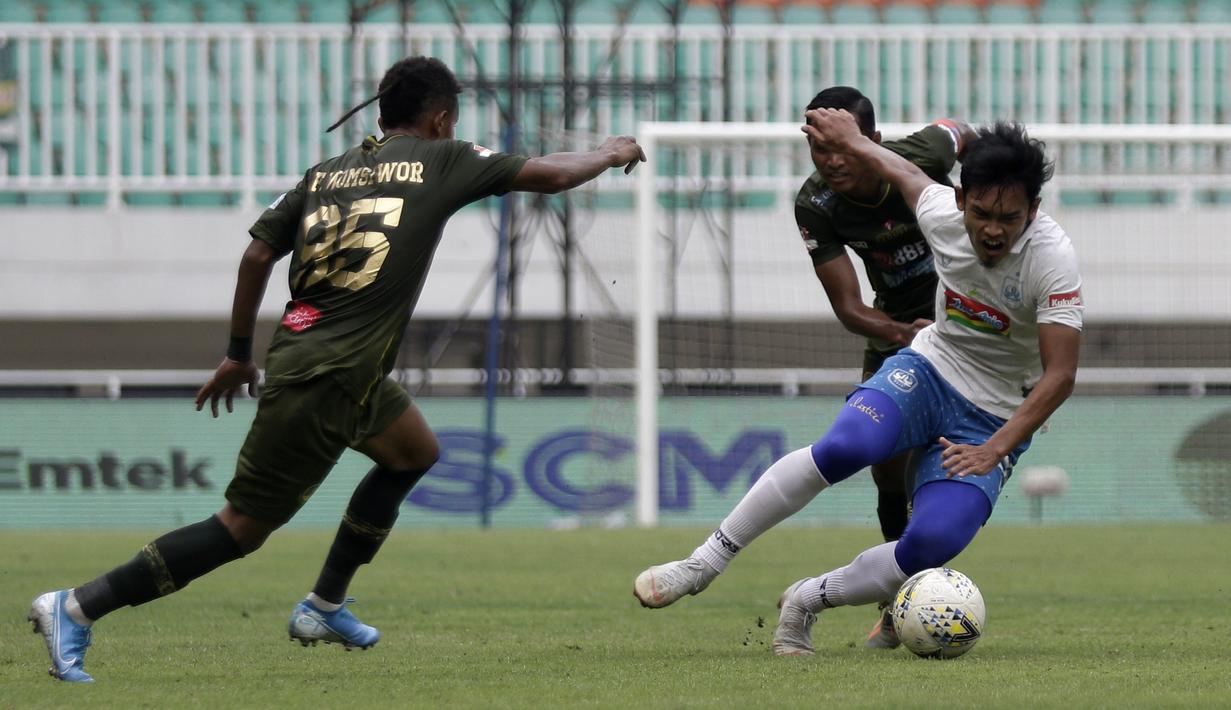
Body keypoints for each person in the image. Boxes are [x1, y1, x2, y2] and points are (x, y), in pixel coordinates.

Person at [29, 55, 645, 683]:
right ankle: (76, 607)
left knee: (413, 454)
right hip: (327, 375)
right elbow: (548, 175)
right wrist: (607, 151)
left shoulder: (325, 173)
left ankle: (323, 604)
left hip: (339, 368)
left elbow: (256, 254)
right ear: (440, 118)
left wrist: (239, 352)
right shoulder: (444, 157)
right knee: (238, 531)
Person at [634, 110, 1082, 657]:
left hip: (989, 419)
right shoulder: (942, 213)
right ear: (961, 199)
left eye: (1009, 218)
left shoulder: (1052, 259)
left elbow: (1061, 375)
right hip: (930, 370)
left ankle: (806, 600)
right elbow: (902, 170)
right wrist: (850, 141)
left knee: (932, 542)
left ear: (1033, 211)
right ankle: (701, 564)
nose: (992, 229)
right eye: (982, 212)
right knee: (847, 447)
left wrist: (995, 448)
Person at [791, 86, 974, 648]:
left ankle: (905, 598)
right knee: (885, 469)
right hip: (896, 331)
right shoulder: (816, 205)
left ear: (871, 141)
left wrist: (985, 186)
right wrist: (903, 333)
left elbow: (958, 128)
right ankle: (902, 598)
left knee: (943, 465)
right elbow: (849, 308)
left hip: (967, 328)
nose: (832, 163)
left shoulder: (919, 157)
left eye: (842, 149)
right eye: (820, 151)